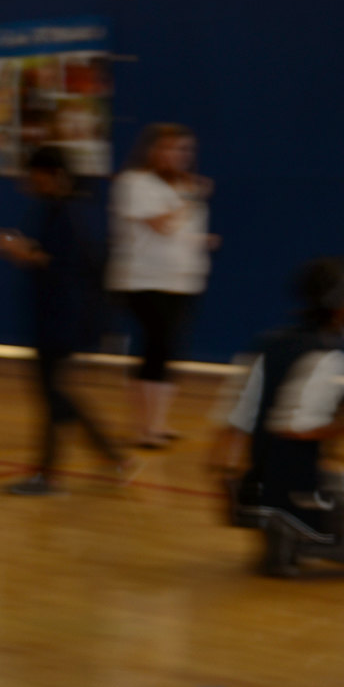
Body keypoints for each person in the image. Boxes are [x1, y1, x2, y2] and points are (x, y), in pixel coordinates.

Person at [216, 257, 344, 578]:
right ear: (342, 306)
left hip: (259, 480)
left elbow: (237, 417)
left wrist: (222, 476)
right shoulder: (330, 354)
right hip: (294, 485)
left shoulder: (270, 343)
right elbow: (296, 428)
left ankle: (282, 522)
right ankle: (296, 536)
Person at [0, 145, 133, 495]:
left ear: (50, 175)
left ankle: (50, 475)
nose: (29, 180)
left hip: (60, 317)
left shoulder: (63, 211)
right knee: (56, 394)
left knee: (53, 394)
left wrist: (15, 249)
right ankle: (109, 457)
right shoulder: (62, 209)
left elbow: (54, 262)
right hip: (56, 315)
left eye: (34, 173)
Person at [106, 122, 214, 448]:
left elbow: (181, 230)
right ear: (153, 151)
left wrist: (202, 240)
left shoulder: (184, 187)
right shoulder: (134, 183)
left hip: (182, 281)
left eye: (184, 150)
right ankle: (144, 428)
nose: (178, 156)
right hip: (143, 280)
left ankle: (160, 423)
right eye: (170, 148)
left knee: (170, 351)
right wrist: (191, 197)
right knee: (156, 347)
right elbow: (162, 226)